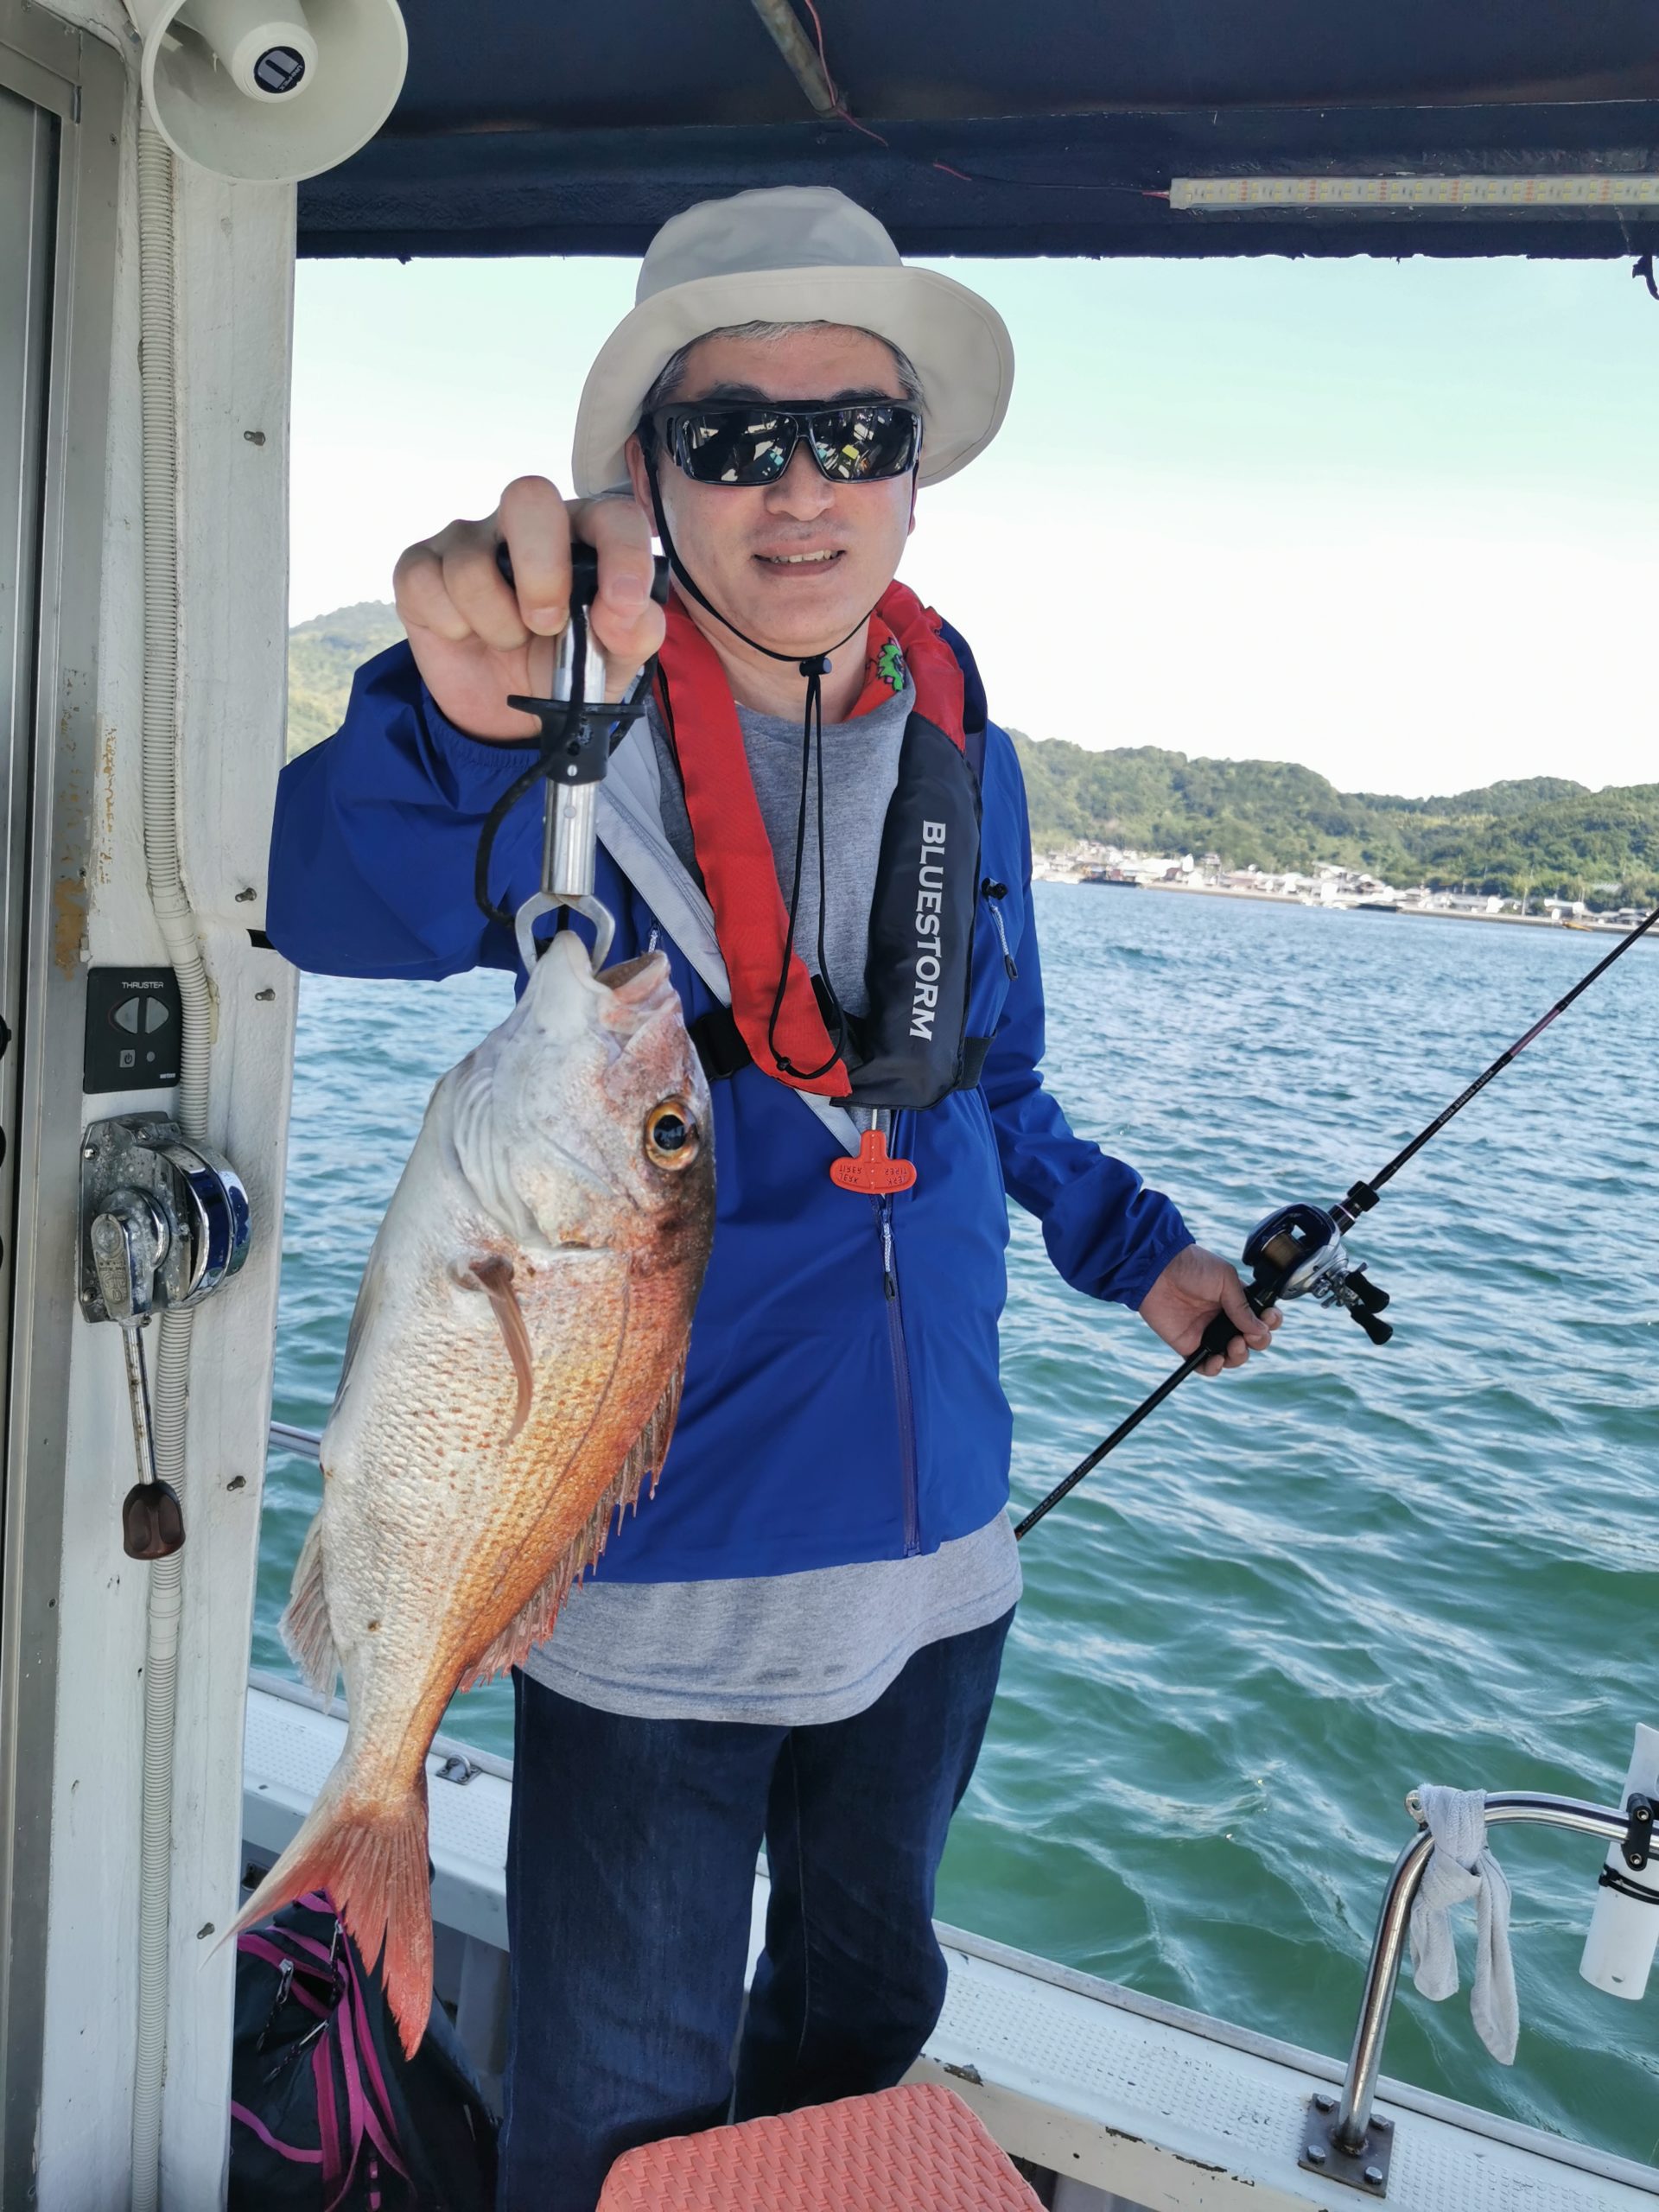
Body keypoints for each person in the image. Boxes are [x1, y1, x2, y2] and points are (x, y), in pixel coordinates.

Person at [267, 184, 1279, 2211]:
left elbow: (992, 1077)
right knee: (615, 2112)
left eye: (854, 432)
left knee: (853, 2034)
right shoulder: (570, 725)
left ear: (914, 472)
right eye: (734, 437)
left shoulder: (966, 737)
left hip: (940, 1576)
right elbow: (321, 890)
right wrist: (441, 715)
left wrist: (1142, 1251)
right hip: (660, 1603)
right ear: (652, 476)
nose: (800, 486)